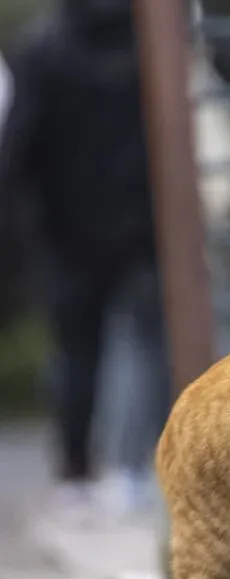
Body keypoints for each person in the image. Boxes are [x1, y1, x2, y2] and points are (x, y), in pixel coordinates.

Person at [0, 0, 169, 520]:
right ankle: (149, 466)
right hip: (148, 222)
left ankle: (77, 473)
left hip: (67, 230)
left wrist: (19, 223)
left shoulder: (44, 46)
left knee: (79, 354)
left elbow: (19, 145)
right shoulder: (154, 42)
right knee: (151, 347)